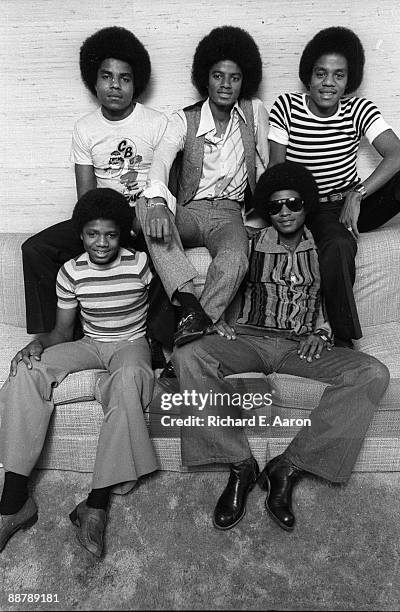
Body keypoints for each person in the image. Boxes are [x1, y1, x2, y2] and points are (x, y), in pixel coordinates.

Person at [171, 162, 390, 532]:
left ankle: (288, 465)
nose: (284, 212)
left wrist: (322, 332)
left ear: (306, 205)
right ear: (267, 212)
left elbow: (333, 299)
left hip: (298, 347)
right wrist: (219, 318)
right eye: (275, 207)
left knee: (371, 372)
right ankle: (240, 464)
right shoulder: (252, 243)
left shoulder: (327, 247)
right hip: (250, 339)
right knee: (188, 354)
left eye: (292, 204)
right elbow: (229, 277)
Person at [0, 188, 158, 557]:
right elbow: (61, 331)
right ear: (81, 234)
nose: (101, 243)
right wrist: (37, 344)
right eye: (92, 234)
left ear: (121, 234)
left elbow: (160, 315)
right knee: (27, 370)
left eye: (110, 234)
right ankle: (14, 501)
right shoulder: (70, 271)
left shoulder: (139, 264)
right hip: (89, 344)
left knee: (130, 380)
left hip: (130, 344)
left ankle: (96, 504)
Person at [21, 26, 169, 361]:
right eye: (107, 76)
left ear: (136, 83)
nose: (115, 85)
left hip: (143, 219)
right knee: (35, 248)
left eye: (124, 78)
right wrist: (105, 227)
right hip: (104, 222)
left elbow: (164, 184)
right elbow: (86, 197)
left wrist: (139, 220)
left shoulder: (156, 123)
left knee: (164, 254)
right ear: (95, 80)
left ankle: (156, 342)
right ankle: (59, 333)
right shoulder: (85, 128)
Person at [268, 26, 400, 348]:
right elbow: (276, 171)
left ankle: (351, 208)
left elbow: (396, 153)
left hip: (351, 202)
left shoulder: (359, 109)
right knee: (339, 245)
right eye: (321, 74)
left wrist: (358, 193)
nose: (329, 83)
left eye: (338, 75)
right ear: (308, 76)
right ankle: (341, 339)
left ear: (348, 79)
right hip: (312, 208)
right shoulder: (286, 106)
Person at [137, 25, 269, 348]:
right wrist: (156, 203)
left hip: (229, 214)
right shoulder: (184, 119)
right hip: (190, 210)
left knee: (237, 257)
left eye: (234, 77)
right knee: (145, 204)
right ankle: (191, 307)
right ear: (204, 77)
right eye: (217, 75)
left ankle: (195, 334)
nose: (225, 84)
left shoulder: (255, 113)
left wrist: (259, 221)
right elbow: (162, 161)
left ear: (244, 80)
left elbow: (266, 171)